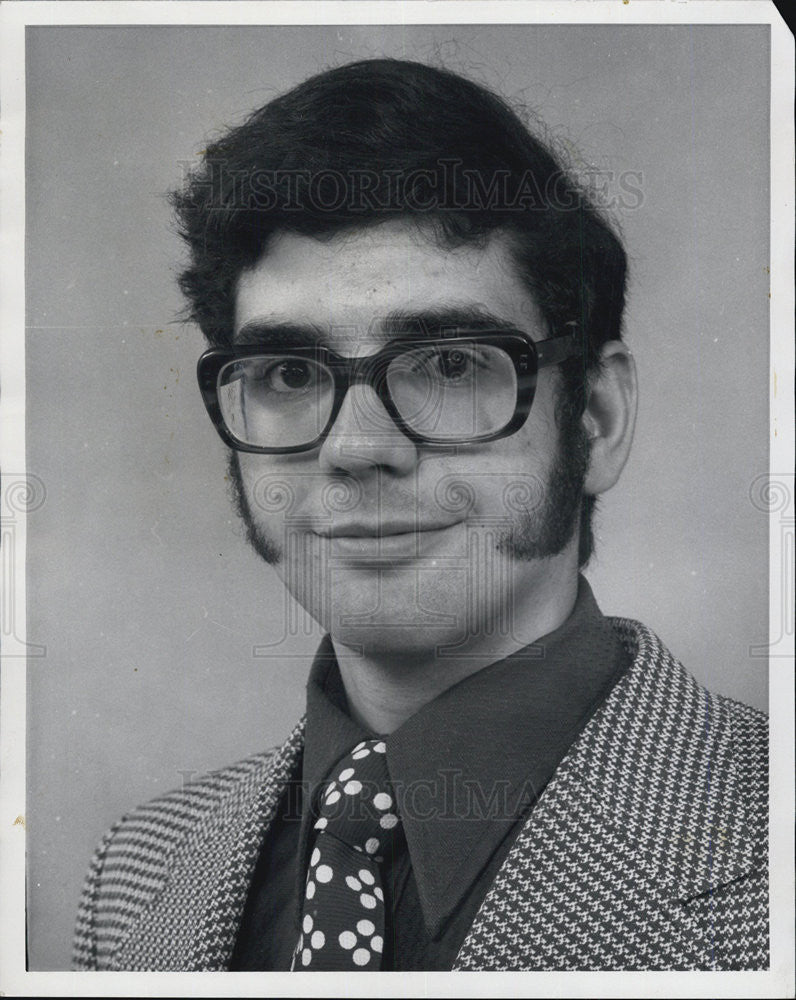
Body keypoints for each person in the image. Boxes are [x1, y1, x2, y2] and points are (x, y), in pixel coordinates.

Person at [72, 58, 768, 972]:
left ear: (595, 420)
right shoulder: (136, 868)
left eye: (447, 364)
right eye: (289, 373)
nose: (356, 448)